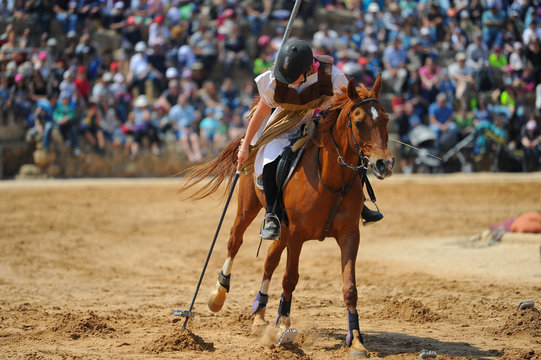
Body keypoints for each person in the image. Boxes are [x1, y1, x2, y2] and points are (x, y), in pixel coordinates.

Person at [235, 39, 382, 241]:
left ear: (308, 72)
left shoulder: (332, 77)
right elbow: (261, 113)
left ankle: (359, 202)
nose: (286, 80)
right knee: (270, 160)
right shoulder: (272, 80)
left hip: (318, 121)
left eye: (293, 77)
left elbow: (349, 104)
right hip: (284, 123)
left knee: (347, 152)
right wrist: (245, 146)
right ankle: (272, 215)